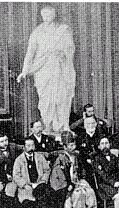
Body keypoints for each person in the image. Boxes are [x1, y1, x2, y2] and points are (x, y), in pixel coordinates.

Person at [16, 4, 75, 134]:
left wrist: (63, 53)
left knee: (61, 97)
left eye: (49, 14)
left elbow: (70, 48)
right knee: (46, 100)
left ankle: (63, 126)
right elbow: (30, 53)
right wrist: (25, 71)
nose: (47, 17)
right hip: (43, 71)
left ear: (54, 15)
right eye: (44, 14)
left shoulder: (63, 30)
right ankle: (48, 125)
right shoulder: (37, 32)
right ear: (41, 16)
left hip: (60, 69)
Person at [50, 131, 97, 208]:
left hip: (77, 180)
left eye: (74, 145)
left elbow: (82, 170)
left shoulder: (77, 156)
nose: (73, 147)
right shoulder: (60, 158)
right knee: (78, 194)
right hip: (66, 184)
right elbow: (58, 175)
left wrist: (82, 180)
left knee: (90, 191)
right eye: (70, 145)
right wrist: (69, 185)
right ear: (65, 146)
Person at [12, 137, 54, 208]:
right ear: (24, 147)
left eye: (33, 145)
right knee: (28, 202)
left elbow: (47, 170)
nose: (31, 147)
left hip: (40, 184)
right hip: (26, 187)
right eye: (28, 145)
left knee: (46, 195)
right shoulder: (19, 160)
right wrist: (25, 185)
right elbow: (16, 176)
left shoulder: (40, 157)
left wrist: (43, 181)